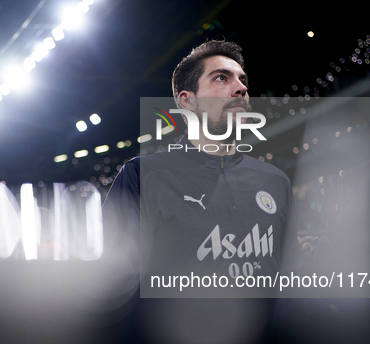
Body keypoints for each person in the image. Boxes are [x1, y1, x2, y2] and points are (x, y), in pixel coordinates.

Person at [104, 40, 295, 297]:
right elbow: (114, 286)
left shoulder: (275, 181)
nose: (240, 88)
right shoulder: (142, 176)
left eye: (243, 81)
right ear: (188, 101)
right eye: (221, 79)